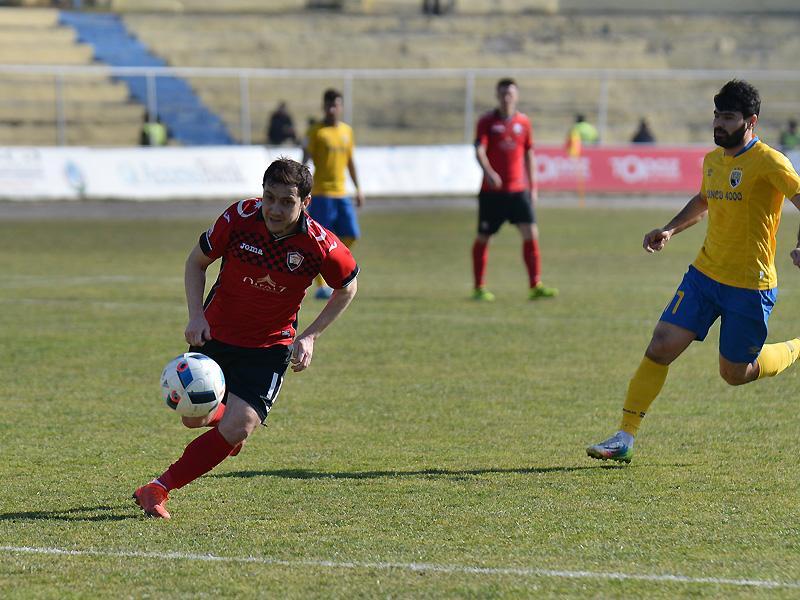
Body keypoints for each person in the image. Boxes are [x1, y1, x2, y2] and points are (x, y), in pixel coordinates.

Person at [587, 80, 800, 464]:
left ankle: (797, 347)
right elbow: (704, 200)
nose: (719, 124)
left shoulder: (770, 162)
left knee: (734, 373)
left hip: (749, 286)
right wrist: (670, 229)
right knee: (661, 345)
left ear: (751, 121)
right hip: (704, 276)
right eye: (717, 115)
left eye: (728, 117)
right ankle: (624, 436)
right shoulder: (712, 161)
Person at [132, 158, 359, 519]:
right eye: (269, 197)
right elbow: (196, 262)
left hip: (269, 347)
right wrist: (196, 315)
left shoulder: (319, 245)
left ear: (305, 203)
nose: (275, 209)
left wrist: (311, 336)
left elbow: (347, 287)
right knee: (193, 419)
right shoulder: (239, 218)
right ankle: (228, 428)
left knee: (240, 426)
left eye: (286, 201)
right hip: (216, 334)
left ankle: (158, 488)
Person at [472, 78, 558, 302]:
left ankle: (535, 285)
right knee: (484, 237)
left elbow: (529, 154)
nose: (506, 98)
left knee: (531, 233)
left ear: (516, 96)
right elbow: (479, 150)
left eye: (510, 93)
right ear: (497, 96)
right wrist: (489, 172)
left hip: (518, 190)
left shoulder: (523, 122)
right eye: (502, 94)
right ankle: (479, 287)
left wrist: (533, 187)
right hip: (492, 193)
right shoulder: (486, 122)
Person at [302, 88, 364, 300]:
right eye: (328, 105)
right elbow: (305, 161)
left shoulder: (347, 131)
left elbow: (350, 162)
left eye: (335, 105)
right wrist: (300, 188)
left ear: (341, 107)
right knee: (319, 241)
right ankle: (322, 286)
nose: (331, 109)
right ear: (323, 106)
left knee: (351, 233)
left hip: (342, 193)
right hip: (321, 193)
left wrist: (358, 188)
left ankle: (331, 265)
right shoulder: (315, 132)